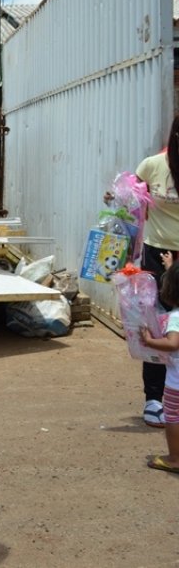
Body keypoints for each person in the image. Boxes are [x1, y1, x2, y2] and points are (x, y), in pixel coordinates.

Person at [133, 115, 179, 428]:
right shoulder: (153, 165)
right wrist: (118, 198)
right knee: (158, 325)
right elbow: (128, 198)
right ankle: (154, 398)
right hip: (157, 252)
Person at [139, 251, 179, 473]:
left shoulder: (175, 318)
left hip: (176, 384)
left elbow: (173, 344)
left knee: (173, 418)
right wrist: (171, 267)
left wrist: (150, 341)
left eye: (164, 286)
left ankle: (175, 458)